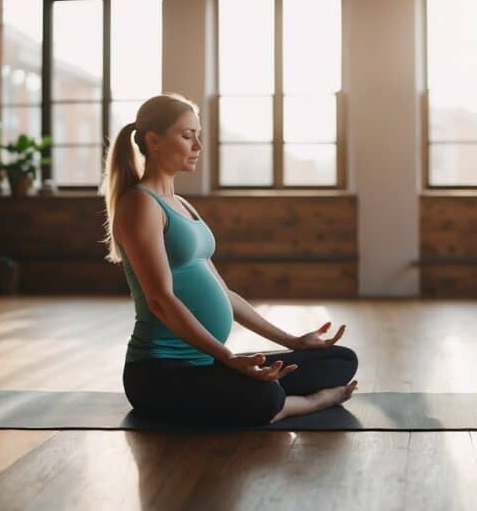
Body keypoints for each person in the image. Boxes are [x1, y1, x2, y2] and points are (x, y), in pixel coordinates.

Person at [100, 92, 359, 426]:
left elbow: (224, 293)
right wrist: (229, 357)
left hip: (208, 365)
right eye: (187, 135)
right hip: (160, 374)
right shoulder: (140, 205)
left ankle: (272, 394)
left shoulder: (181, 203)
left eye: (198, 136)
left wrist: (293, 341)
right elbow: (160, 300)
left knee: (338, 360)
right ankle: (309, 402)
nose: (197, 146)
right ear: (154, 141)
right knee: (264, 395)